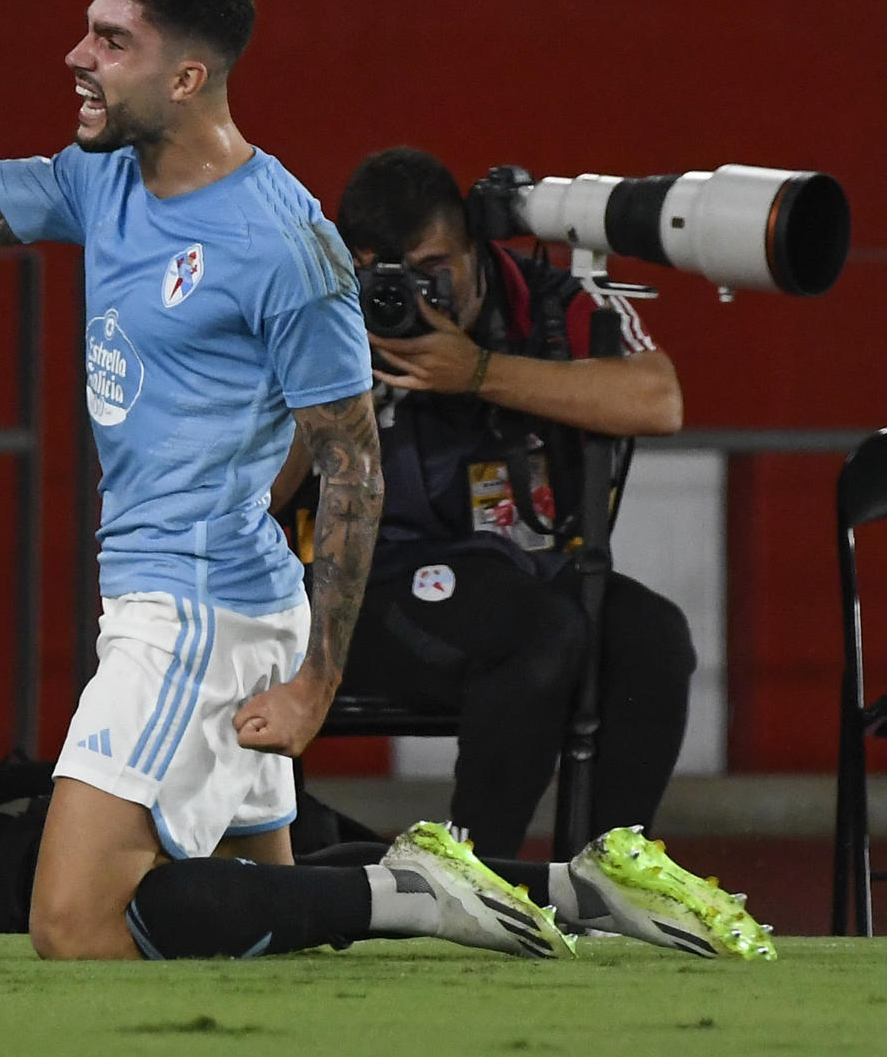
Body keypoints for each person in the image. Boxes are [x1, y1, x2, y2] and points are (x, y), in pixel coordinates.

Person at [0, 0, 771, 963]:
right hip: (209, 599)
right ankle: (577, 884)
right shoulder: (99, 176)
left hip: (196, 609)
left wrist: (315, 684)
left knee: (74, 922)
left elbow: (353, 465)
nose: (76, 55)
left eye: (111, 40)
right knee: (273, 922)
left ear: (186, 78)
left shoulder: (285, 244)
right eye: (89, 29)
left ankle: (406, 892)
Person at [282, 146, 697, 860]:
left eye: (433, 269)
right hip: (361, 592)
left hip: (533, 571)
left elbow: (658, 399)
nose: (413, 294)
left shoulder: (545, 299)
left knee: (652, 638)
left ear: (477, 248)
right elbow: (258, 489)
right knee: (537, 633)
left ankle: (607, 875)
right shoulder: (315, 314)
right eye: (385, 275)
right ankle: (477, 872)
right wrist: (328, 368)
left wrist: (479, 373)